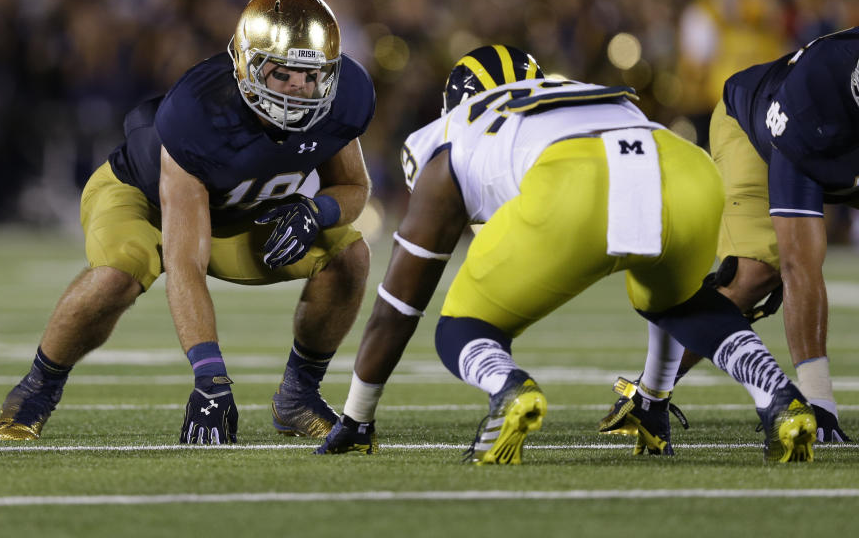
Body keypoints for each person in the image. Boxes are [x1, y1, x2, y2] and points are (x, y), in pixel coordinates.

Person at [316, 44, 817, 463]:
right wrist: (654, 399)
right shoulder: (573, 92)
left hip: (574, 179)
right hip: (684, 168)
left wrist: (357, 416)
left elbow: (399, 306)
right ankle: (778, 396)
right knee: (676, 301)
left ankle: (508, 387)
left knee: (461, 327)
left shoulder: (451, 135)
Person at [0, 0, 375, 444]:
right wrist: (210, 380)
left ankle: (298, 397)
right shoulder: (197, 112)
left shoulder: (344, 97)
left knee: (350, 256)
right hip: (143, 197)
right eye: (283, 73)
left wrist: (318, 209)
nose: (299, 88)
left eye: (310, 75)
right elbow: (186, 266)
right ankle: (37, 388)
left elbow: (354, 187)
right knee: (119, 274)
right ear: (247, 65)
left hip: (240, 210)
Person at [629, 27, 858, 443]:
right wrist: (818, 399)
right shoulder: (813, 101)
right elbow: (797, 262)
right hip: (759, 133)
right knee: (757, 272)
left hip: (836, 137)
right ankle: (647, 391)